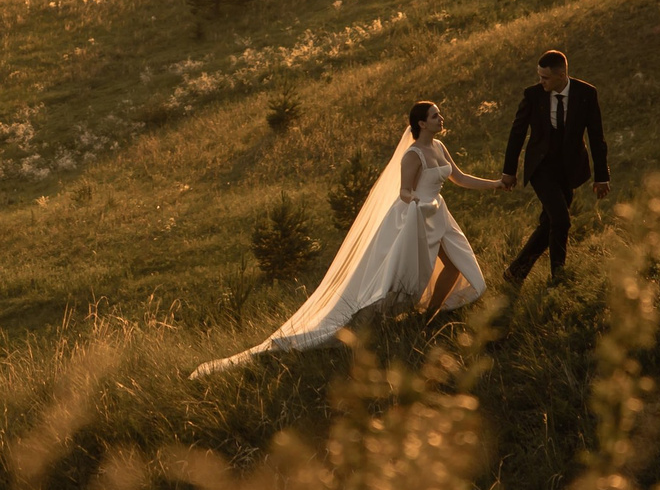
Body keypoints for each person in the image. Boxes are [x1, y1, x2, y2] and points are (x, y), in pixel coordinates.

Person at [192, 100, 499, 377]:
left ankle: (429, 317)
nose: (440, 118)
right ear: (421, 123)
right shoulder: (413, 154)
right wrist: (417, 203)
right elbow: (404, 191)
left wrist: (496, 184)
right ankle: (379, 321)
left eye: (439, 114)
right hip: (417, 216)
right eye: (435, 116)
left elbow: (459, 177)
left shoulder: (440, 147)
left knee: (457, 264)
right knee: (399, 276)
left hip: (439, 214)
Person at [500, 49, 608, 286]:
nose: (540, 81)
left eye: (545, 77)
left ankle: (515, 273)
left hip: (569, 169)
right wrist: (509, 171)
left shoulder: (586, 94)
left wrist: (602, 176)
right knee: (561, 220)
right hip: (541, 167)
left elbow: (596, 136)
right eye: (539, 76)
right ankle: (558, 279)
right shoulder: (533, 95)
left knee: (550, 222)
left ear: (561, 75)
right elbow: (517, 133)